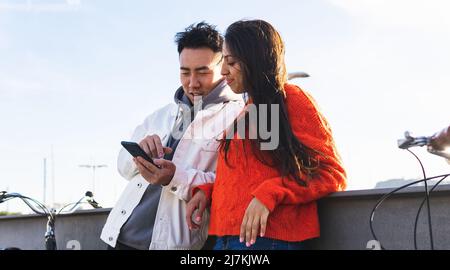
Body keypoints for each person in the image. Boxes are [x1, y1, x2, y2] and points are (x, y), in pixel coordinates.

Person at [186, 19, 347, 250]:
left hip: (269, 240)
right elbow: (247, 177)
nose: (222, 71)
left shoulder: (292, 99)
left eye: (231, 62)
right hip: (224, 239)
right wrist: (207, 193)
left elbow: (332, 173)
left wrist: (269, 194)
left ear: (254, 60)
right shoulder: (247, 111)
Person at [100, 22, 244, 250]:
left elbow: (232, 186)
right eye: (185, 72)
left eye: (203, 72)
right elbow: (123, 167)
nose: (192, 83)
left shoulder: (239, 117)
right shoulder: (161, 115)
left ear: (223, 65)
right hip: (119, 236)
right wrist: (139, 154)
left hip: (175, 245)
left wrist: (174, 178)